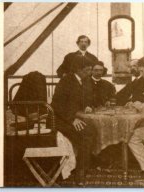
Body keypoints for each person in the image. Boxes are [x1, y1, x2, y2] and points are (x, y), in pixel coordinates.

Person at [51, 55, 95, 185]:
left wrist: (87, 105)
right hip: (59, 120)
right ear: (78, 70)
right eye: (87, 70)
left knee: (91, 131)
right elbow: (57, 105)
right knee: (87, 134)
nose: (90, 73)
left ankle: (82, 166)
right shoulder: (66, 81)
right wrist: (72, 120)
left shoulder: (84, 81)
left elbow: (85, 98)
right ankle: (80, 173)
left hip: (69, 118)